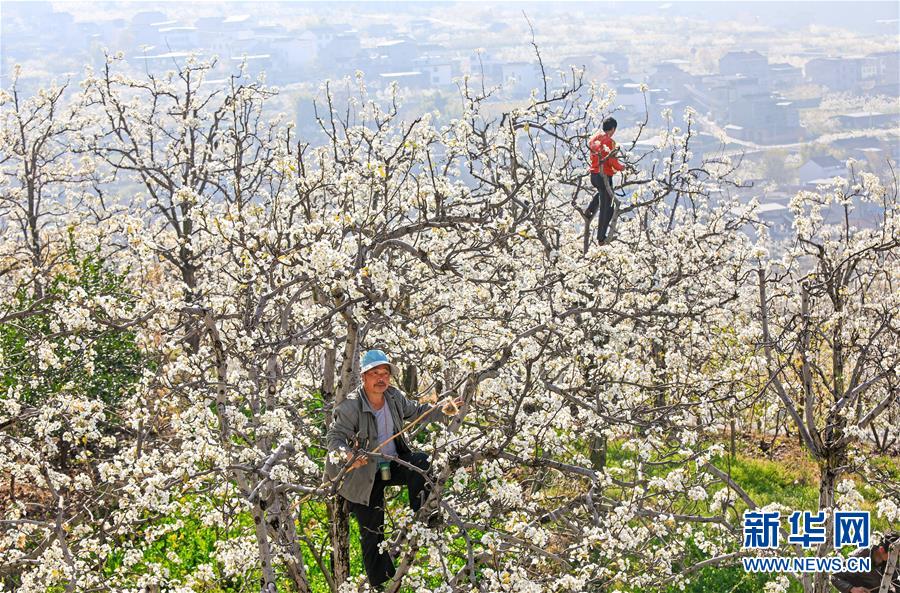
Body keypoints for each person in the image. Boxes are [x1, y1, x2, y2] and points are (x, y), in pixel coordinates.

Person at [325, 349, 461, 589]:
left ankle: (422, 515)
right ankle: (381, 583)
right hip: (363, 476)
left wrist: (442, 409)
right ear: (364, 377)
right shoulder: (351, 406)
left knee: (422, 462)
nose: (381, 378)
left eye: (385, 373)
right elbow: (335, 438)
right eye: (375, 373)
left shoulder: (394, 397)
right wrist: (348, 456)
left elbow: (417, 412)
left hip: (392, 464)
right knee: (372, 532)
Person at [586, 117, 625, 243]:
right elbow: (612, 160)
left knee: (604, 195)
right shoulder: (610, 142)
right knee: (607, 207)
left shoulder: (594, 138)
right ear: (613, 129)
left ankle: (590, 210)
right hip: (604, 176)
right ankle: (601, 237)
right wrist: (621, 167)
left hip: (594, 175)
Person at [831, 532, 900, 593]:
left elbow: (897, 583)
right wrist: (852, 589)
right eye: (895, 553)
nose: (897, 557)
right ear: (881, 550)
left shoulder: (892, 561)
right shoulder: (860, 557)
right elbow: (834, 577)